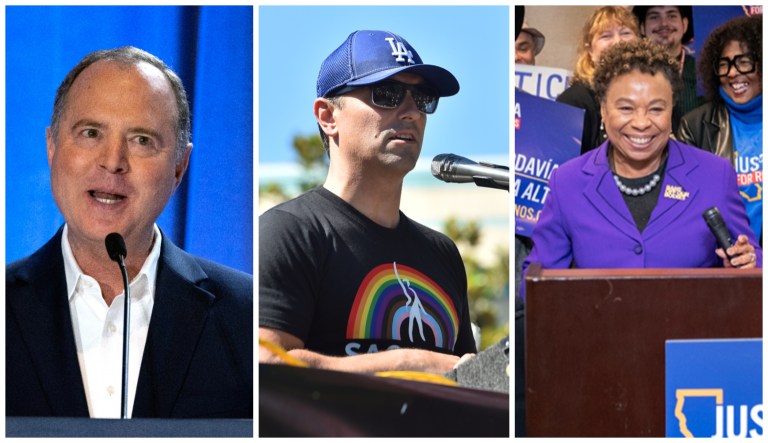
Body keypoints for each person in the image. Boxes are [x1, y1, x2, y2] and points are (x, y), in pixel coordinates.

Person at [6, 47, 253, 418]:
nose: (113, 161)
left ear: (179, 167)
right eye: (90, 133)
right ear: (52, 147)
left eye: (141, 140)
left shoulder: (247, 316)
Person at [259, 30, 477, 374]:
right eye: (387, 94)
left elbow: (468, 378)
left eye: (423, 99)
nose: (412, 113)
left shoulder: (443, 254)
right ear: (328, 116)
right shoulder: (289, 232)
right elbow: (267, 363)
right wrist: (410, 361)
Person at [521, 39, 761, 298]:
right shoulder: (567, 181)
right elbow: (534, 283)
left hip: (691, 332)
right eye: (626, 108)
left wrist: (748, 262)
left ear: (672, 110)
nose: (641, 123)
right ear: (603, 109)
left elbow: (752, 260)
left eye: (656, 109)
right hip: (598, 334)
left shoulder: (715, 175)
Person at [676, 14, 762, 243]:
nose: (733, 73)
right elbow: (685, 206)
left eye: (744, 62)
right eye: (724, 65)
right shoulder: (695, 126)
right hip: (722, 258)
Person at [557, 6, 640, 154]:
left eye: (625, 33)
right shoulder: (574, 101)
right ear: (590, 51)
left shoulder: (650, 94)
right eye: (606, 36)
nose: (618, 42)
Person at [633, 6, 704, 119]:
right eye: (654, 17)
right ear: (642, 28)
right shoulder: (631, 73)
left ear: (684, 25)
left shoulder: (703, 71)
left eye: (671, 16)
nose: (664, 23)